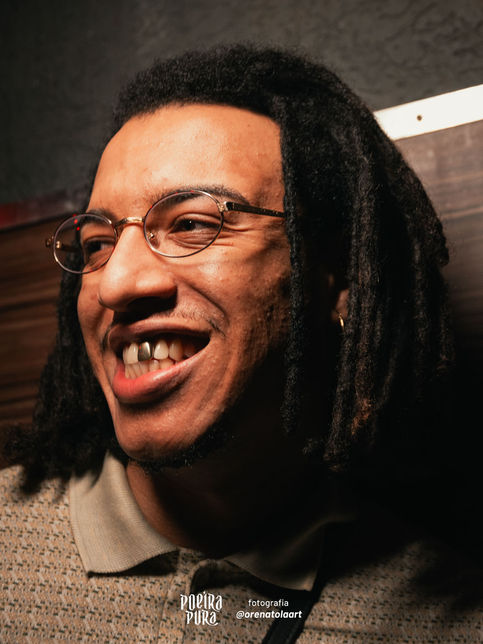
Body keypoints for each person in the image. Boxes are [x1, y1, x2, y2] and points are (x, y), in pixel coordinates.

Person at [1, 45, 481, 642]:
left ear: (338, 281)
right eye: (98, 244)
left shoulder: (444, 622)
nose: (117, 283)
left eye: (192, 224)